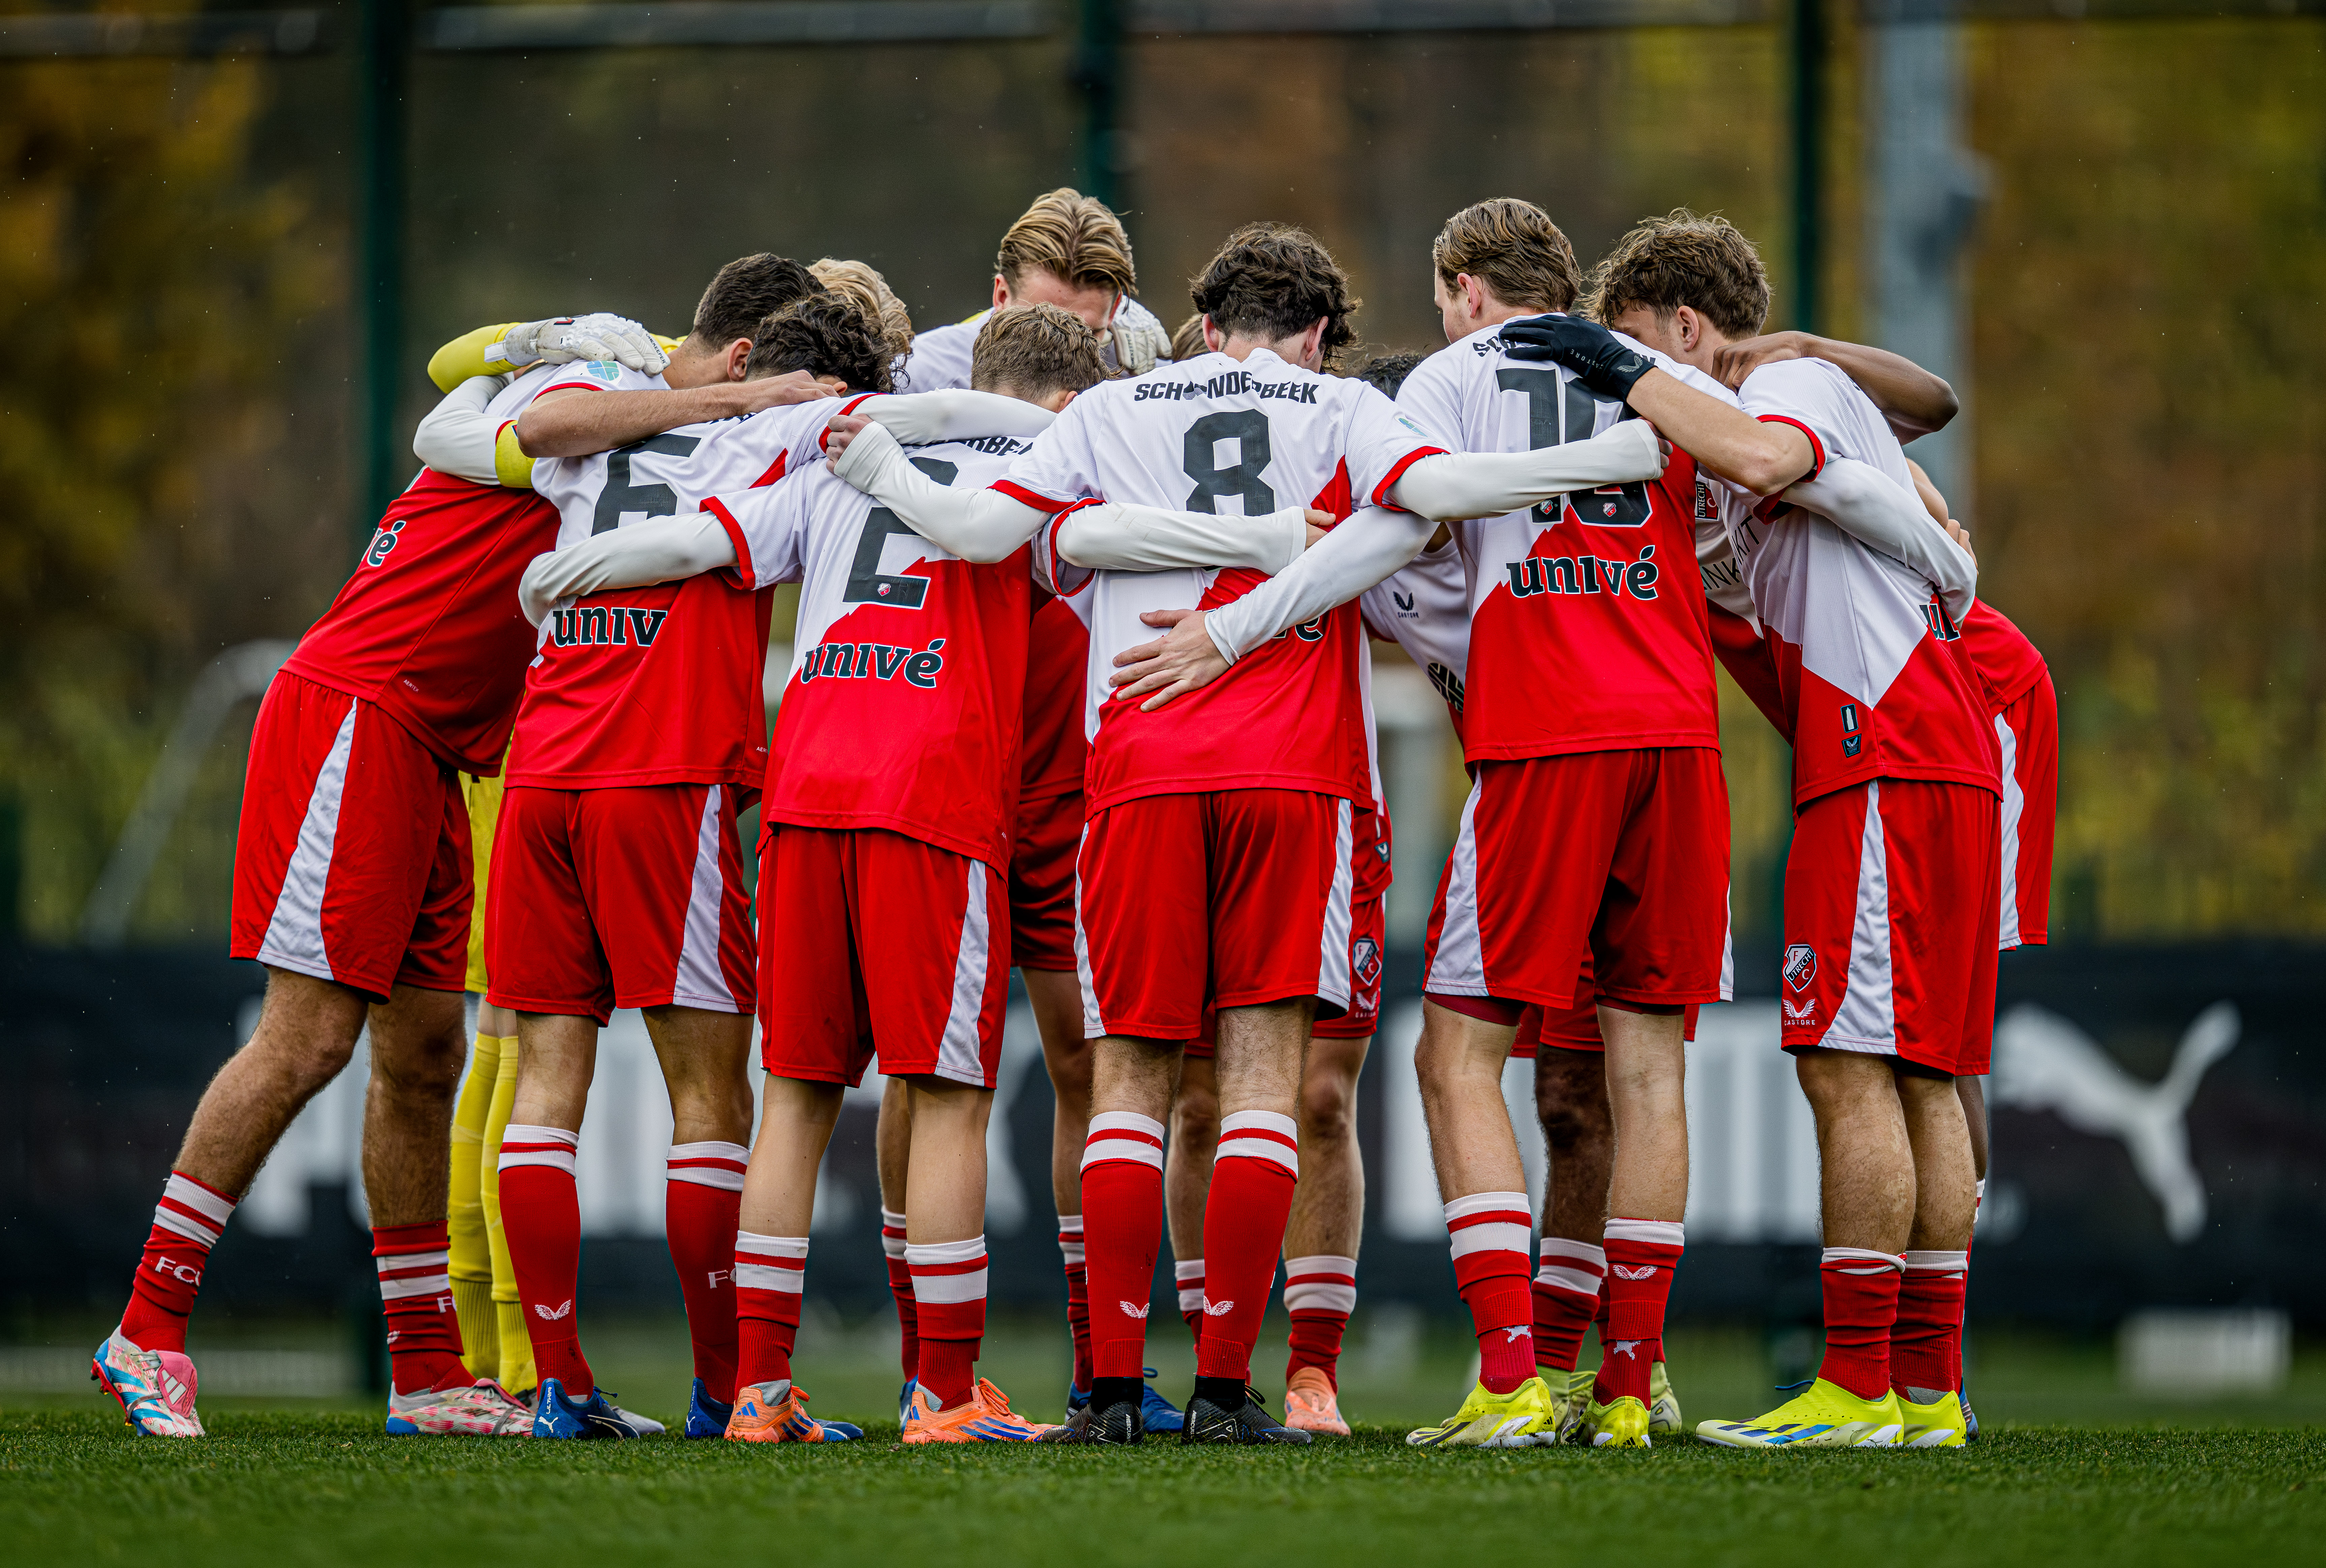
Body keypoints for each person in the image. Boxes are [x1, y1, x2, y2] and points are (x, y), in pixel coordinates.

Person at [827, 220, 1667, 1442]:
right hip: (1295, 772)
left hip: (1140, 761)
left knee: (1131, 1081)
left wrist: (883, 474)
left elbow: (980, 536)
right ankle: (1227, 1390)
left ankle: (1112, 1390)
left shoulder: (1119, 406)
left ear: (1205, 324)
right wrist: (1611, 452)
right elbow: (1430, 497)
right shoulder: (1334, 409)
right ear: (1321, 334)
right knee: (1269, 1082)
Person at [517, 301, 1117, 1443]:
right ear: (1063, 398)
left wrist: (576, 570)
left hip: (804, 783)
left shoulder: (840, 446)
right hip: (929, 793)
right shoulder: (1054, 455)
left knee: (795, 1095)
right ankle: (943, 1397)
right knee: (944, 1096)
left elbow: (700, 541)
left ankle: (757, 1392)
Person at [87, 305, 685, 1440]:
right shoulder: (567, 411)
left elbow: (478, 384)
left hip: (430, 752)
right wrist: (720, 395)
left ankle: (424, 1374)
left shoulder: (574, 418)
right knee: (306, 1037)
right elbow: (543, 406)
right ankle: (147, 1327)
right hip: (358, 722)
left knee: (423, 1052)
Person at [1516, 210, 1994, 1450]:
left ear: (1685, 329)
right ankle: (1926, 1392)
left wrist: (1624, 369)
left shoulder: (1781, 386)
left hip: (1882, 750)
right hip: (1919, 749)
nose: (1627, 382)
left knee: (1848, 1067)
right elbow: (1903, 428)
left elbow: (1781, 459)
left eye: (1635, 346)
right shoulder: (1782, 396)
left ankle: (1855, 1387)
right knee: (1920, 1072)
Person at [893, 187, 1170, 391]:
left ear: (1113, 312)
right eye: (1039, 327)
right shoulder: (916, 378)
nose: (1064, 355)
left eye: (1087, 333)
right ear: (1002, 296)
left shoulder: (1145, 374)